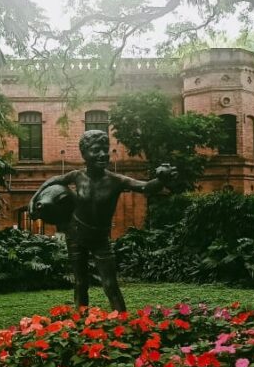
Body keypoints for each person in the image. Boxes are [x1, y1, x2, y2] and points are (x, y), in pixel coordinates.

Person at [29, 129, 176, 311]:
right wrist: (34, 199)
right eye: (96, 150)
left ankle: (123, 324)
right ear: (84, 154)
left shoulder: (116, 180)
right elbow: (53, 180)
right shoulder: (77, 176)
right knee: (80, 282)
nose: (102, 154)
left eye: (104, 149)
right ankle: (80, 323)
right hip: (75, 235)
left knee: (110, 284)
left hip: (100, 239)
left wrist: (161, 180)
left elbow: (145, 187)